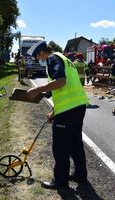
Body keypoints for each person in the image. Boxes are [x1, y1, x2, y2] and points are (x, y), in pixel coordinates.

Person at [26, 41, 89, 189]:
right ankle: (80, 176)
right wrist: (54, 112)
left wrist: (37, 89)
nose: (39, 60)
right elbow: (65, 89)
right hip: (78, 106)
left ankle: (60, 181)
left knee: (60, 147)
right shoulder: (64, 58)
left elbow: (61, 81)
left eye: (38, 57)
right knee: (75, 143)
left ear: (42, 52)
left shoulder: (52, 59)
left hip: (68, 110)